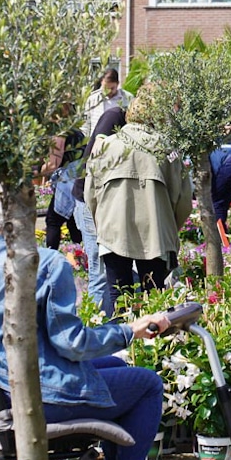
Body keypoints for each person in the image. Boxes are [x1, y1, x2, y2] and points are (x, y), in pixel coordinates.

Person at [0, 194, 170, 460]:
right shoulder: (46, 263)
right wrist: (129, 331)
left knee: (115, 364)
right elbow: (72, 344)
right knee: (149, 384)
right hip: (41, 399)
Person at [86, 86, 192, 317]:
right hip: (155, 232)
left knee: (117, 293)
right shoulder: (168, 150)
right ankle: (153, 349)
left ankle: (118, 345)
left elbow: (90, 193)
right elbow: (183, 200)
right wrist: (170, 228)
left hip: (113, 230)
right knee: (154, 293)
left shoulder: (105, 145)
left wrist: (101, 224)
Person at [72, 105, 127, 310]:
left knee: (107, 269)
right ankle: (94, 324)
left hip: (103, 200)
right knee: (99, 270)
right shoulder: (114, 115)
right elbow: (96, 150)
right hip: (88, 198)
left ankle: (104, 319)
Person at [39, 115, 84, 250]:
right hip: (80, 177)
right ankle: (82, 257)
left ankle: (50, 257)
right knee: (72, 220)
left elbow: (53, 164)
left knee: (53, 220)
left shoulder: (60, 132)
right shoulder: (73, 128)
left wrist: (33, 172)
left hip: (70, 179)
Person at [81, 68, 133, 136]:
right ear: (101, 83)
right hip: (96, 140)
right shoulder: (92, 99)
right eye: (106, 88)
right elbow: (86, 125)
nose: (109, 91)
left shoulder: (127, 98)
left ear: (117, 84)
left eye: (112, 88)